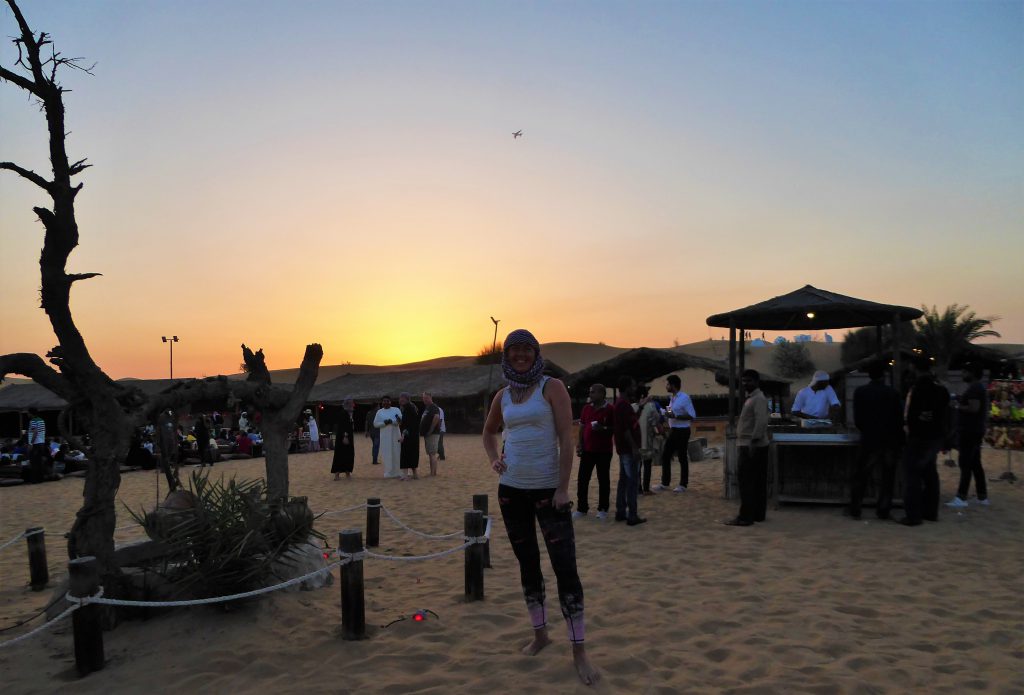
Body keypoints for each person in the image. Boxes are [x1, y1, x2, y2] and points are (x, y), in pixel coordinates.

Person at [481, 329, 599, 686]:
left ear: (535, 353)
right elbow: (488, 432)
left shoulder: (552, 388)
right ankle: (540, 634)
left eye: (525, 350)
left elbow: (567, 438)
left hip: (549, 491)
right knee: (528, 564)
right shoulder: (502, 395)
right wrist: (494, 461)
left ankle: (579, 650)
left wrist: (563, 488)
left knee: (565, 569)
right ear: (506, 355)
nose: (519, 355)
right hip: (511, 491)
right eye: (513, 350)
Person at [898, 356, 950, 527]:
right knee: (930, 473)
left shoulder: (916, 389)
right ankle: (931, 512)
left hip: (919, 437)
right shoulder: (941, 389)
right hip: (935, 437)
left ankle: (913, 516)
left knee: (911, 475)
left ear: (915, 367)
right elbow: (945, 414)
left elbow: (910, 416)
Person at [848, 363, 903, 520]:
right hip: (889, 440)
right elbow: (898, 419)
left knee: (862, 475)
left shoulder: (860, 392)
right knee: (887, 476)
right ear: (883, 376)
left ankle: (855, 508)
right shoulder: (892, 393)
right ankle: (883, 509)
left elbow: (858, 419)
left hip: (869, 438)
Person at [725, 370, 770, 526]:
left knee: (747, 482)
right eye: (743, 381)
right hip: (751, 444)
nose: (745, 384)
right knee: (756, 481)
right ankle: (758, 514)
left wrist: (753, 442)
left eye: (748, 381)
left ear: (756, 381)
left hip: (751, 445)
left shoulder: (758, 399)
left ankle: (745, 517)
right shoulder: (752, 399)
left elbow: (761, 422)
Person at [947, 364, 989, 508]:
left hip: (970, 431)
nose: (962, 374)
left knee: (966, 463)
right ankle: (982, 496)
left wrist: (957, 406)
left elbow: (974, 408)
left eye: (964, 372)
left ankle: (961, 497)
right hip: (975, 430)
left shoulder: (975, 388)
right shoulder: (978, 388)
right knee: (975, 463)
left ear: (971, 373)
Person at [574, 383, 614, 520]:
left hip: (604, 451)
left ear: (602, 394)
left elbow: (614, 429)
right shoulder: (586, 409)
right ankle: (582, 508)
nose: (590, 395)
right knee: (582, 480)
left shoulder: (610, 409)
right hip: (588, 450)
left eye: (593, 392)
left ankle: (603, 509)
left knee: (603, 480)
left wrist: (602, 429)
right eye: (590, 392)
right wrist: (579, 443)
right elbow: (582, 427)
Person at [654, 374, 695, 493]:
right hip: (673, 430)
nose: (666, 386)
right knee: (666, 455)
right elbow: (671, 412)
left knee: (682, 456)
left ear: (673, 385)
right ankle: (665, 483)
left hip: (682, 430)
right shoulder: (672, 398)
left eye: (667, 384)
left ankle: (683, 484)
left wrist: (675, 415)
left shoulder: (684, 397)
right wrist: (664, 411)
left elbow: (691, 415)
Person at [613, 376, 645, 526]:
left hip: (624, 449)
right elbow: (625, 430)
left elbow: (631, 423)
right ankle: (632, 515)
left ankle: (621, 512)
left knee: (624, 480)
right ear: (626, 388)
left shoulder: (623, 405)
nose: (634, 389)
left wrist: (641, 406)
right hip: (628, 449)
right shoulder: (622, 405)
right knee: (632, 482)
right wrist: (634, 448)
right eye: (632, 386)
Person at [637, 386, 665, 496]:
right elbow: (658, 420)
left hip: (636, 440)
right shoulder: (652, 405)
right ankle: (646, 489)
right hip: (647, 439)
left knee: (638, 465)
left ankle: (638, 489)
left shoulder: (632, 406)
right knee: (647, 464)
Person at [374, 396, 403, 479]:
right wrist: (384, 423)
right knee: (387, 453)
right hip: (385, 437)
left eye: (387, 401)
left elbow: (400, 421)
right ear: (382, 402)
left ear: (391, 402)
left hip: (396, 435)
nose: (386, 402)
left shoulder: (396, 410)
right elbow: (375, 424)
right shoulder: (379, 412)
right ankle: (389, 472)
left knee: (397, 452)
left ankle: (399, 471)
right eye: (384, 401)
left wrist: (392, 421)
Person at [333, 398, 356, 480]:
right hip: (343, 436)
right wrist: (345, 436)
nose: (352, 405)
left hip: (349, 436)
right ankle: (337, 474)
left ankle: (347, 472)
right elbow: (342, 426)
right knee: (340, 454)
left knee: (349, 454)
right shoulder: (343, 413)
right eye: (351, 403)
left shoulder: (350, 413)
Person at [398, 392, 420, 480]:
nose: (400, 400)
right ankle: (415, 474)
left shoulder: (408, 408)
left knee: (406, 453)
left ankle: (405, 475)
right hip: (414, 435)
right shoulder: (412, 407)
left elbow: (408, 424)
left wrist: (403, 435)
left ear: (406, 399)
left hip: (409, 435)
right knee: (413, 453)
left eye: (402, 398)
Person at [420, 392, 442, 476]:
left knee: (432, 453)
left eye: (426, 398)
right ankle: (432, 472)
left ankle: (433, 473)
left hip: (432, 434)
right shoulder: (428, 407)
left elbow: (436, 417)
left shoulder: (433, 407)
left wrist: (431, 430)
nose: (424, 399)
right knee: (430, 453)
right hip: (428, 434)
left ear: (430, 397)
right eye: (423, 398)